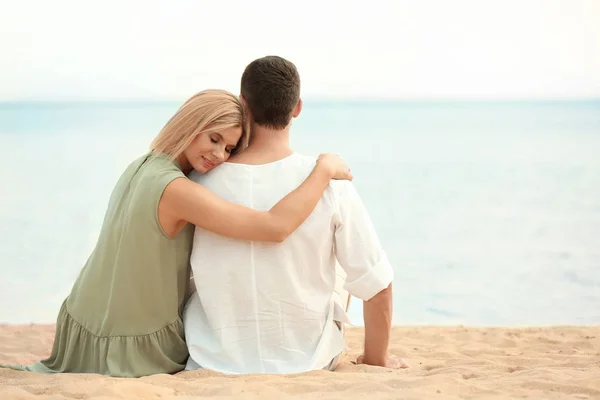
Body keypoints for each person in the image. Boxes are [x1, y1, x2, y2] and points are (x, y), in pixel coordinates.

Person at [0, 89, 352, 378]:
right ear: (191, 124)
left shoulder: (142, 165)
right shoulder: (177, 191)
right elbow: (274, 227)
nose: (218, 155)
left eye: (229, 148)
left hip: (84, 328)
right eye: (214, 139)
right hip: (134, 347)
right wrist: (322, 169)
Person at [183, 57, 407, 374]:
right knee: (347, 268)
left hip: (214, 357)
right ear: (297, 108)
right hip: (307, 359)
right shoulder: (330, 183)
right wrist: (376, 361)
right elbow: (378, 286)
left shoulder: (195, 183)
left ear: (243, 105)